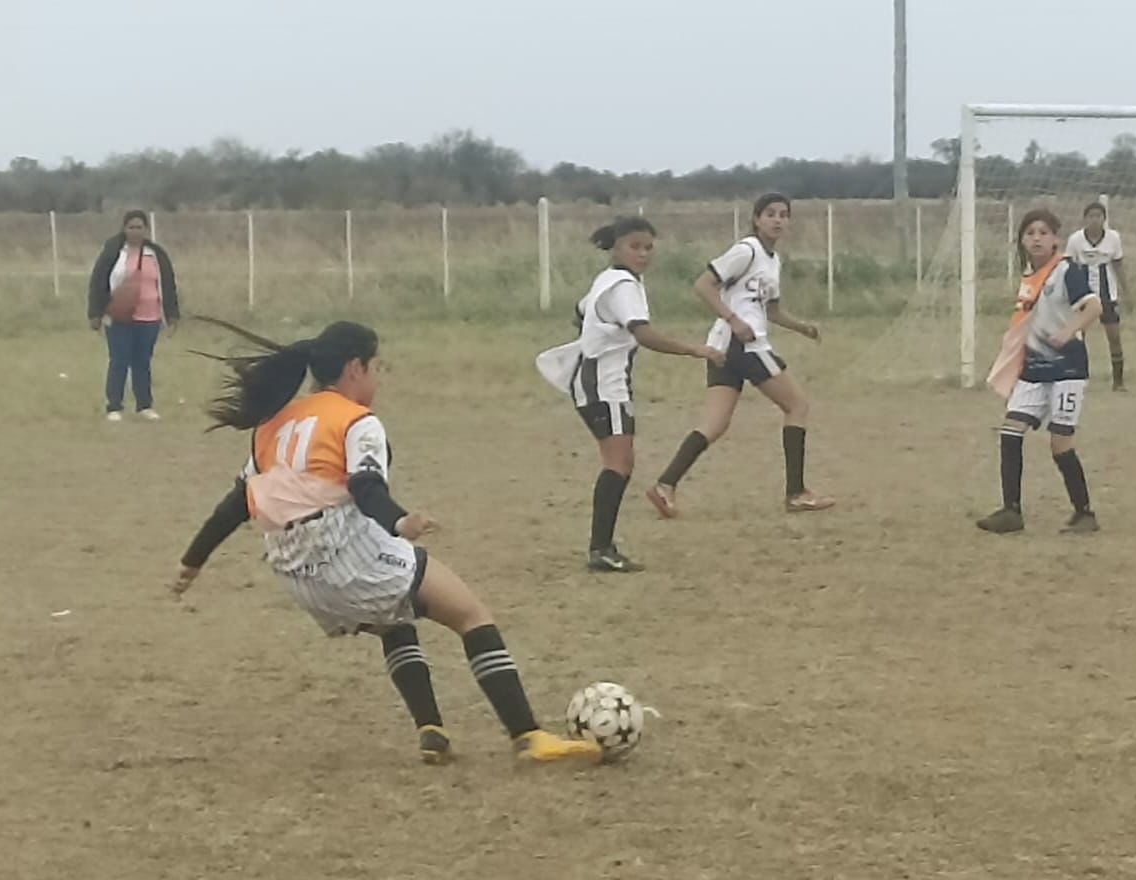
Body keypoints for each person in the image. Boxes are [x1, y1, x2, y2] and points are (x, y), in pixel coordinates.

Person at [174, 317, 602, 767]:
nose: (379, 378)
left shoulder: (274, 425)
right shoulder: (357, 421)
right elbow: (366, 486)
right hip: (342, 551)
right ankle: (529, 735)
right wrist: (401, 521)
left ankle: (431, 731)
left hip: (295, 572)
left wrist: (192, 562)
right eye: (377, 367)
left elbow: (236, 502)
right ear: (355, 368)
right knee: (471, 614)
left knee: (394, 615)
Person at [537, 216, 723, 573]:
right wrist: (694, 350)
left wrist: (597, 331)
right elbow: (643, 333)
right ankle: (601, 549)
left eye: (648, 247)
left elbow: (580, 311)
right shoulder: (623, 285)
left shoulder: (609, 280)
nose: (643, 253)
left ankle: (602, 547)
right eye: (635, 246)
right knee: (619, 463)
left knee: (620, 462)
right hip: (604, 383)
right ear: (617, 247)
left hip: (598, 380)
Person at [644, 193, 834, 518]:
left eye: (784, 214)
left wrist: (801, 327)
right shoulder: (746, 250)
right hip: (741, 344)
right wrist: (734, 319)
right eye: (770, 214)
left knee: (714, 424)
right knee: (797, 405)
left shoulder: (772, 260)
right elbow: (703, 285)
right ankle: (796, 493)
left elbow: (770, 310)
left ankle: (665, 485)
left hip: (725, 345)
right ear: (756, 219)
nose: (777, 220)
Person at [978, 209, 1102, 535]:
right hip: (1033, 371)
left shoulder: (1065, 271)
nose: (1036, 238)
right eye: (1030, 232)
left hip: (1067, 370)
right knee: (1010, 432)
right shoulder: (1028, 278)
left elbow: (1095, 307)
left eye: (1043, 232)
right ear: (1021, 240)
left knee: (1060, 444)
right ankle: (1011, 511)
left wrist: (1069, 331)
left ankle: (1084, 513)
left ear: (1056, 239)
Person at [87, 210, 180, 422]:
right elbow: (98, 281)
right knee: (119, 359)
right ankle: (114, 406)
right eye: (131, 227)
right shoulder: (113, 252)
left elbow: (168, 284)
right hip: (119, 316)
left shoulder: (156, 254)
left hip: (150, 316)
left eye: (139, 227)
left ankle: (144, 405)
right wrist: (95, 313)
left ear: (146, 230)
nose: (135, 231)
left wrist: (172, 315)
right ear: (124, 229)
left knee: (142, 362)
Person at [1064, 202, 1128, 391]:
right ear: (1085, 219)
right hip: (1083, 295)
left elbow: (1118, 265)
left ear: (1104, 219)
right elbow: (1068, 266)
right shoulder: (1075, 239)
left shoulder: (1113, 238)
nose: (1094, 220)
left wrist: (1126, 291)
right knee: (1078, 336)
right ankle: (1076, 377)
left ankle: (1118, 381)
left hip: (1107, 294)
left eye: (1098, 216)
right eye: (1090, 216)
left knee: (1114, 336)